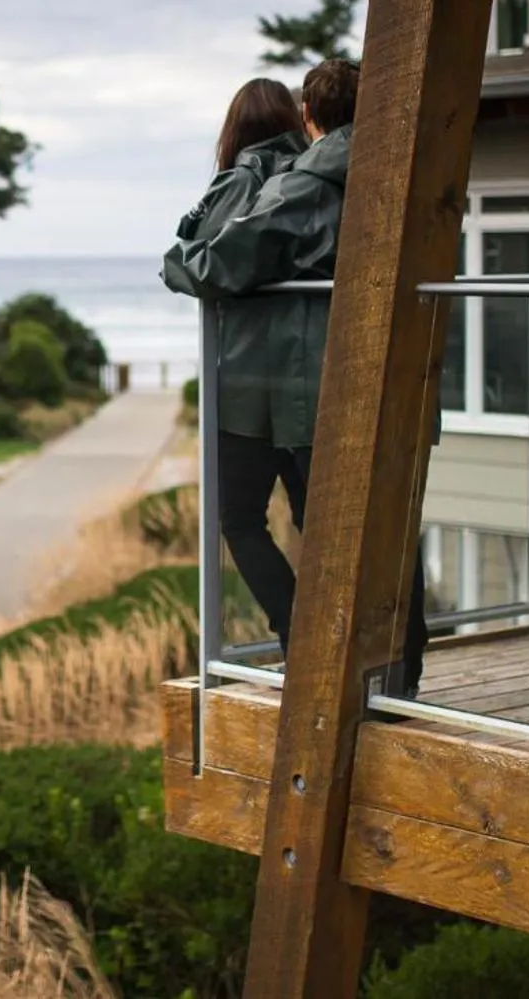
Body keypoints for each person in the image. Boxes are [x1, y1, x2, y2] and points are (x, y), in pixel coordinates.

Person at [162, 58, 428, 696]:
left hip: (295, 386)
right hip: (390, 370)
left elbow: (213, 263)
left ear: (311, 117)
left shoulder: (303, 180)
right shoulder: (400, 165)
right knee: (377, 527)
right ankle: (398, 670)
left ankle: (313, 649)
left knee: (249, 518)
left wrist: (178, 255)